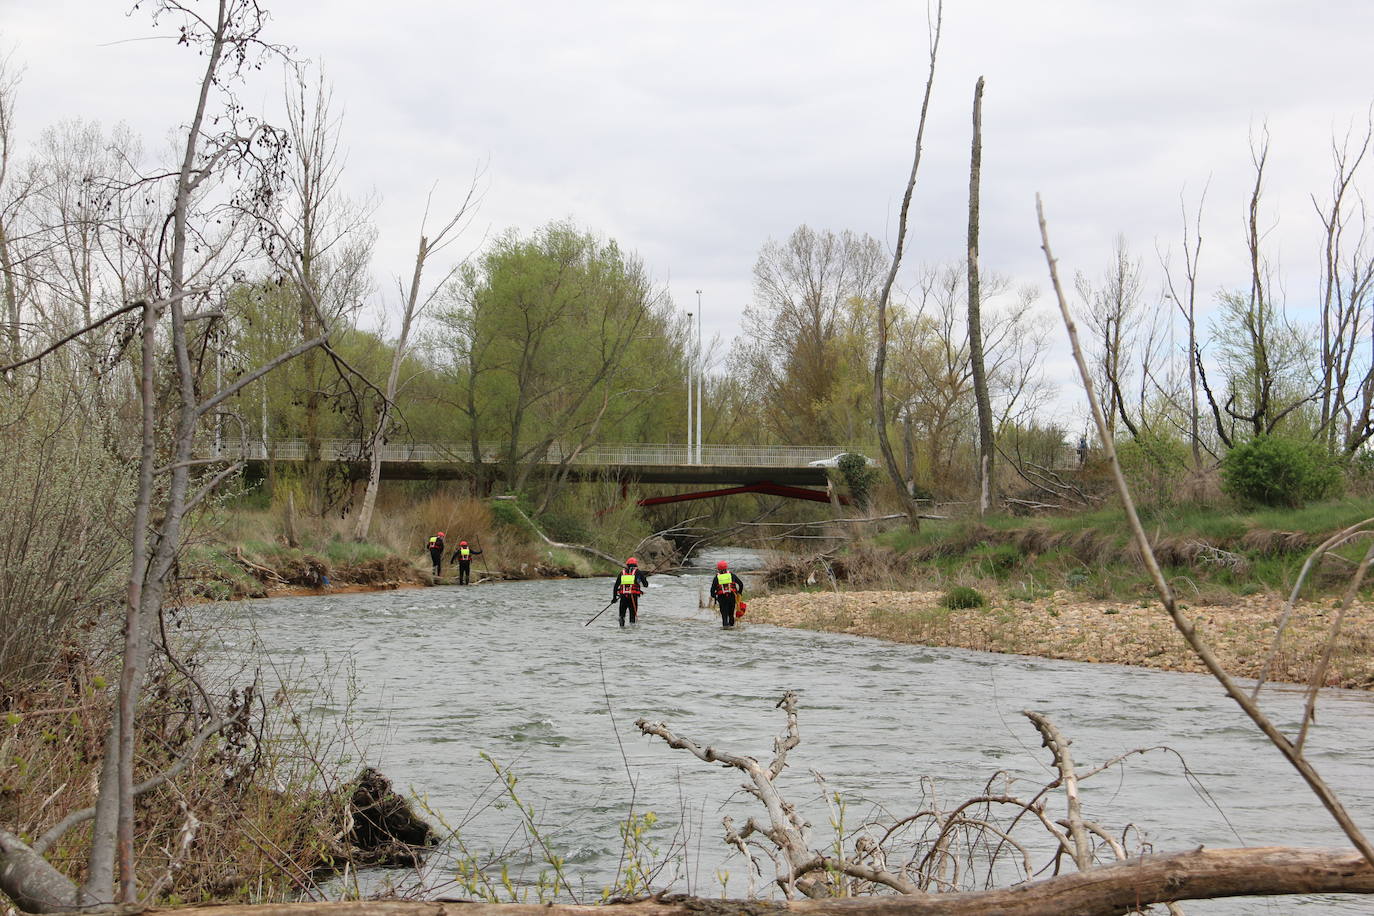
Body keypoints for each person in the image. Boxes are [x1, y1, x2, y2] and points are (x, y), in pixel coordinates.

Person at [612, 556, 649, 628]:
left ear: (627, 564)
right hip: (633, 597)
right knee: (632, 617)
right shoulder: (638, 572)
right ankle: (632, 631)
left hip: (623, 597)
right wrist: (644, 578)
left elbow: (616, 586)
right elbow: (646, 585)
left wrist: (614, 598)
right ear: (636, 565)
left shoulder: (622, 573)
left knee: (621, 616)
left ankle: (621, 628)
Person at [709, 559, 745, 628]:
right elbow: (741, 584)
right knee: (731, 615)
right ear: (726, 568)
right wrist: (739, 593)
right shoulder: (732, 575)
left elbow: (712, 591)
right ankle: (732, 629)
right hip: (732, 597)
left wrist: (715, 597)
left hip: (722, 598)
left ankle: (725, 630)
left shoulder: (716, 578)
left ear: (718, 569)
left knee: (724, 616)